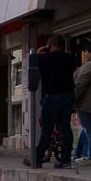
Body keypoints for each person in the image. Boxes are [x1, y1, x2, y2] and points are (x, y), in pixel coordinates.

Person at [27, 35, 76, 168]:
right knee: (66, 129)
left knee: (47, 130)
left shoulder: (44, 58)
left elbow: (34, 71)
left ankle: (37, 159)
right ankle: (66, 160)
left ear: (50, 45)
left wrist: (37, 54)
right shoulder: (69, 58)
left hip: (53, 97)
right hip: (68, 96)